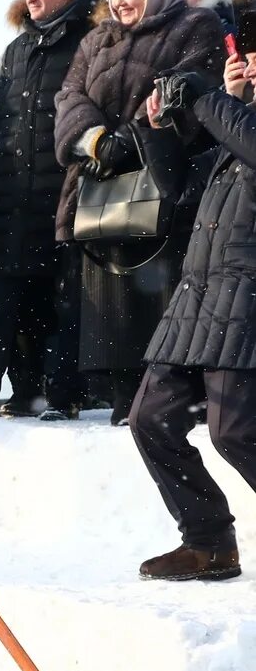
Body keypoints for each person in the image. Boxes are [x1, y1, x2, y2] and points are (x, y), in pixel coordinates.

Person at [54, 0, 223, 424]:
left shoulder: (194, 26)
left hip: (163, 185)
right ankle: (125, 398)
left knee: (162, 299)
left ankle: (169, 402)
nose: (120, 1)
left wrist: (130, 139)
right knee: (111, 301)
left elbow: (190, 89)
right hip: (98, 187)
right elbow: (69, 96)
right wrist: (94, 140)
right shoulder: (96, 41)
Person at [0, 0, 103, 420]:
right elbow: (0, 115)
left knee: (58, 307)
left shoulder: (91, 41)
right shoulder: (17, 49)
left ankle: (60, 397)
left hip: (63, 198)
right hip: (8, 197)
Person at [128, 55, 256, 580]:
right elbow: (179, 186)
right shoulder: (234, 129)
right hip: (200, 295)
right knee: (150, 419)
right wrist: (154, 127)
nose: (246, 66)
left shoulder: (238, 124)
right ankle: (209, 543)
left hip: (246, 299)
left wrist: (209, 97)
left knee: (236, 433)